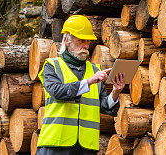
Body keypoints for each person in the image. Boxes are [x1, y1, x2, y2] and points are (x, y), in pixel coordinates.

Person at [36, 14, 125, 154]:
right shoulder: (52, 66)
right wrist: (89, 82)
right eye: (81, 40)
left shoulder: (95, 70)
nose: (86, 45)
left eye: (88, 42)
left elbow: (103, 107)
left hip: (85, 147)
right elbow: (58, 92)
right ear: (67, 41)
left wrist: (115, 92)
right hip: (55, 144)